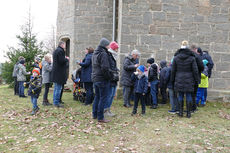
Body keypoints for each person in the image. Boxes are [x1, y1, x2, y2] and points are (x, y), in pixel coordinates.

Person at [171, 41, 199, 118]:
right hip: (189, 79)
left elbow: (173, 70)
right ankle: (188, 113)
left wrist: (172, 80)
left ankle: (180, 112)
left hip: (179, 78)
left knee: (180, 95)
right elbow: (195, 70)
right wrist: (197, 80)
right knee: (189, 95)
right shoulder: (192, 58)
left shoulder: (176, 58)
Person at [92, 38, 112, 123]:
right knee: (102, 98)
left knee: (97, 96)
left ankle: (94, 114)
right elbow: (105, 68)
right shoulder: (103, 54)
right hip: (102, 78)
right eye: (108, 45)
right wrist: (108, 77)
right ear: (105, 45)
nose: (109, 46)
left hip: (95, 78)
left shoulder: (95, 53)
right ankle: (100, 117)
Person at [51, 41, 69, 108]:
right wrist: (66, 59)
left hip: (56, 72)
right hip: (59, 72)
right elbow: (61, 61)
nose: (65, 46)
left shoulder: (56, 51)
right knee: (58, 88)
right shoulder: (61, 51)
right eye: (64, 45)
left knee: (56, 88)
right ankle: (56, 103)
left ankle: (55, 101)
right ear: (62, 45)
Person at [104, 41, 119, 117]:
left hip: (114, 78)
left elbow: (113, 66)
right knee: (109, 95)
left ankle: (108, 109)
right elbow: (108, 67)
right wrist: (113, 71)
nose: (117, 50)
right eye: (116, 48)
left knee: (112, 94)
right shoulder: (109, 55)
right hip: (110, 78)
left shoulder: (114, 56)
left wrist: (116, 69)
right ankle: (105, 110)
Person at [190, 45, 204, 112]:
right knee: (194, 93)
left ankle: (190, 107)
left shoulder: (188, 55)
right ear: (195, 49)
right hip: (196, 76)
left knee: (189, 93)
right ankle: (193, 108)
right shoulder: (197, 56)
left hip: (188, 77)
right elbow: (202, 66)